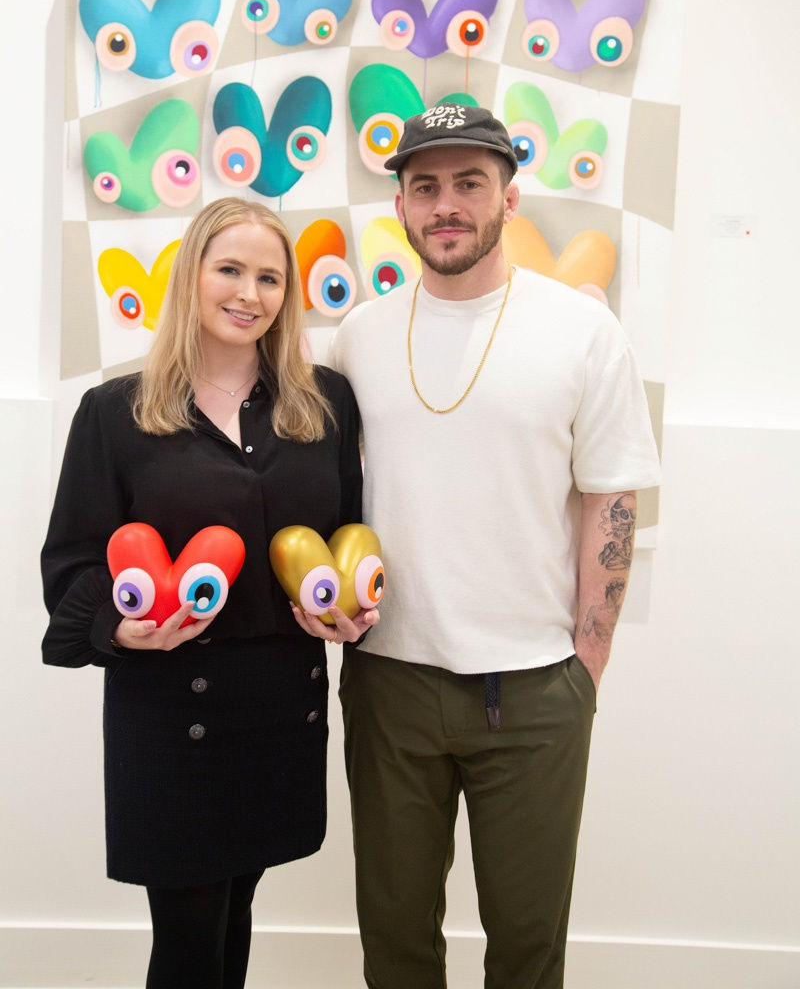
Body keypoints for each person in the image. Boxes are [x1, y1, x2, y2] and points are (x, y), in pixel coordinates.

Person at [326, 103, 661, 989]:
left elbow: (610, 501)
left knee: (526, 947)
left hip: (536, 689)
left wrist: (585, 666)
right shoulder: (357, 336)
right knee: (395, 945)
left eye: (470, 182)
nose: (447, 204)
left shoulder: (583, 333)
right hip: (391, 683)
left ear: (509, 197)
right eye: (425, 185)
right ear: (398, 205)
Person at [41, 196, 377, 989]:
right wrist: (124, 632)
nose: (249, 293)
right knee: (189, 935)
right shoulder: (114, 414)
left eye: (269, 277)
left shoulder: (324, 404)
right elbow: (73, 561)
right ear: (191, 275)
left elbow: (349, 536)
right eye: (229, 269)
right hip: (169, 712)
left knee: (235, 910)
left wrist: (348, 608)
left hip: (277, 710)